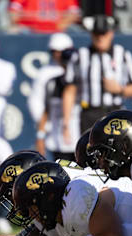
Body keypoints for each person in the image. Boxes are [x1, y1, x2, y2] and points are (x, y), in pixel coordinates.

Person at [63, 15, 132, 135]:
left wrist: (119, 89)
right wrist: (66, 122)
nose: (100, 38)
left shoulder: (122, 54)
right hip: (89, 113)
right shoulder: (80, 56)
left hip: (115, 112)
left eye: (103, 33)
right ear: (91, 34)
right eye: (97, 34)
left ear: (111, 34)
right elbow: (70, 90)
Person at [28, 33, 78, 161]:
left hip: (80, 132)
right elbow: (43, 105)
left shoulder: (81, 71)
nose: (59, 56)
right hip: (57, 133)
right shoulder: (47, 76)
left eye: (63, 52)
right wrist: (43, 130)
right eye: (55, 52)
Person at [9, 0, 81, 33]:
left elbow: (74, 13)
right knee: (13, 30)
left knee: (76, 31)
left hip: (59, 29)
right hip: (30, 30)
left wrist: (58, 26)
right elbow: (13, 13)